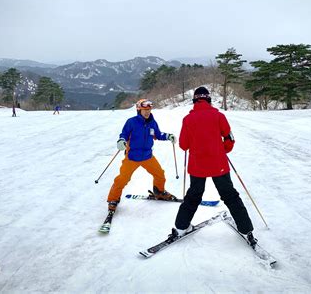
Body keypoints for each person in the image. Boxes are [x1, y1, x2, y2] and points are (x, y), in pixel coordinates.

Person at [170, 87, 257, 247]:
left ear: (195, 100)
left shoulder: (188, 120)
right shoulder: (218, 116)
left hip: (197, 166)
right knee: (230, 195)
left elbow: (183, 145)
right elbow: (229, 139)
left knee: (193, 196)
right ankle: (246, 230)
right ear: (208, 100)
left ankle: (181, 227)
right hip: (219, 165)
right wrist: (221, 149)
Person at [106, 99, 177, 211]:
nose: (147, 112)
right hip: (132, 157)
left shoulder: (152, 123)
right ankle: (113, 199)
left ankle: (159, 192)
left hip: (148, 156)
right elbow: (124, 134)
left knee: (160, 174)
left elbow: (158, 134)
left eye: (149, 109)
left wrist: (168, 136)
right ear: (139, 110)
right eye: (144, 110)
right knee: (122, 179)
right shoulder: (131, 122)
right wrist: (121, 140)